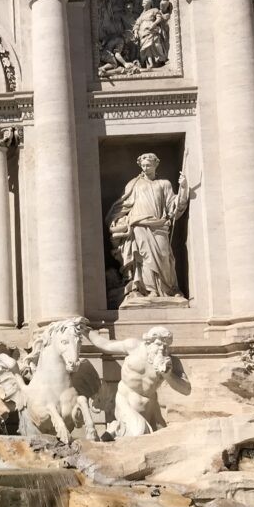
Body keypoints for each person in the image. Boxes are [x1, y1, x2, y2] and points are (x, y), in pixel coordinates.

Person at [106, 153, 190, 300]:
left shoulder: (164, 184)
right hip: (138, 225)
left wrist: (183, 188)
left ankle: (167, 290)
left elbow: (173, 207)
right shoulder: (134, 184)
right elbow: (123, 205)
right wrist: (115, 220)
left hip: (159, 226)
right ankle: (149, 291)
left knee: (164, 258)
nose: (145, 168)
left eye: (148, 165)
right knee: (144, 259)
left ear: (156, 165)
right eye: (143, 165)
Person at [87, 325, 191, 437]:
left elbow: (186, 390)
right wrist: (85, 330)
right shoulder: (133, 346)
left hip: (149, 407)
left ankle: (116, 428)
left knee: (160, 437)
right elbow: (105, 344)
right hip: (125, 400)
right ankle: (115, 428)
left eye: (166, 346)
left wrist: (168, 375)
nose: (162, 349)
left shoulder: (170, 362)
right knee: (139, 431)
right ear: (148, 342)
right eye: (158, 344)